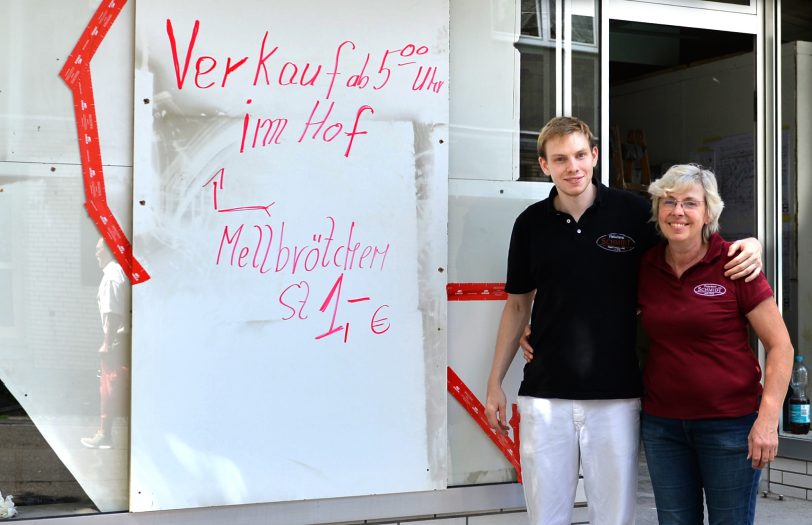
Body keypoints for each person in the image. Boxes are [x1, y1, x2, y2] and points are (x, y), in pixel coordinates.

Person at [485, 116, 763, 525]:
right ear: (544, 165)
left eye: (580, 155)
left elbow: (692, 235)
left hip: (617, 396)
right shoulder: (530, 224)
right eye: (560, 159)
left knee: (614, 518)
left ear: (595, 156)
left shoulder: (633, 213)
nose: (572, 167)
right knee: (545, 518)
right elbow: (516, 306)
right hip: (544, 396)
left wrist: (753, 242)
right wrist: (494, 383)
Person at [637, 164, 793, 524]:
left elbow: (780, 345)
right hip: (663, 426)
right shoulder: (645, 265)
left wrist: (767, 420)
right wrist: (539, 328)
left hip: (729, 425)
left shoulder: (733, 264)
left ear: (708, 212)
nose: (677, 212)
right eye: (668, 201)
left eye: (690, 203)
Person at [81, 238, 131, 449]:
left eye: (98, 249)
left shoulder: (111, 276)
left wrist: (107, 343)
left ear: (109, 251)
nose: (96, 254)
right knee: (121, 387)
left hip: (117, 340)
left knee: (108, 388)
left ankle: (104, 435)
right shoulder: (119, 272)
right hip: (125, 339)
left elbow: (112, 312)